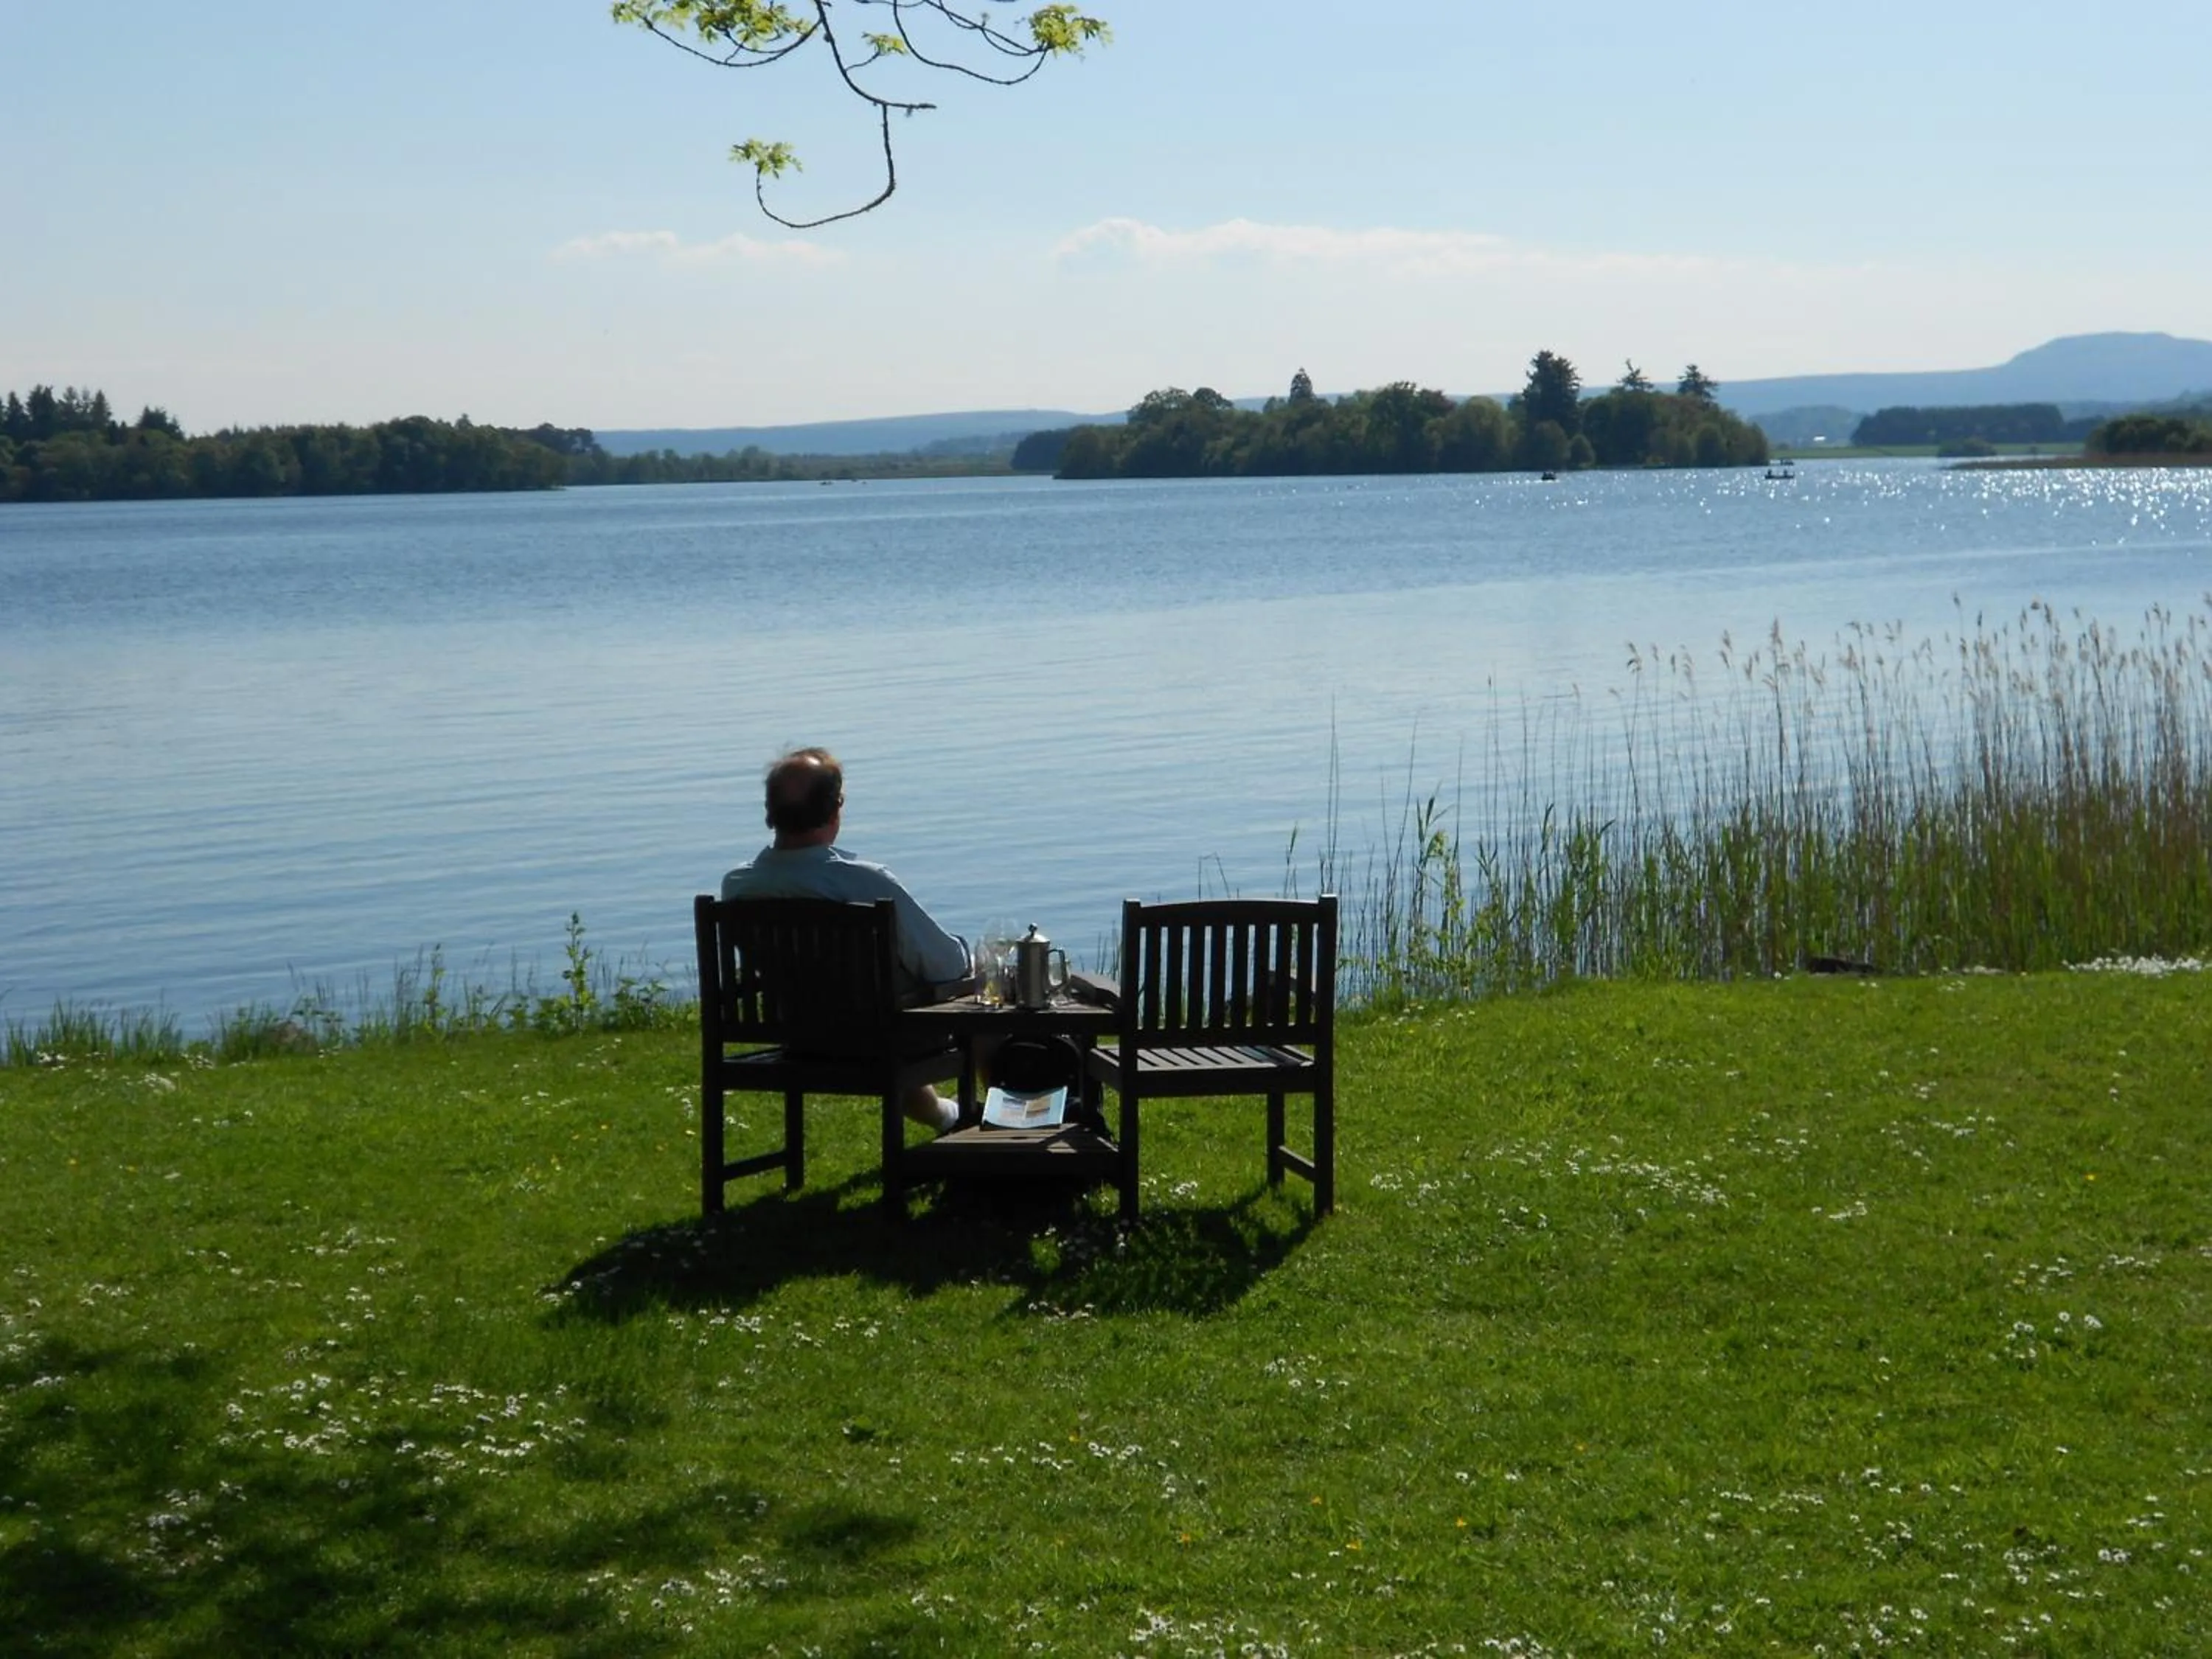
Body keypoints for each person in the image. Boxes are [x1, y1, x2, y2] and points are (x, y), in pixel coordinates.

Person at [722, 746, 970, 1133]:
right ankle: (1020, 1126)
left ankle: (948, 1118)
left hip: (802, 1036)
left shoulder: (738, 886)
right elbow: (948, 967)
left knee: (876, 1020)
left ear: (769, 812)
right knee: (990, 994)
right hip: (879, 1035)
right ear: (835, 810)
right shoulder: (866, 883)